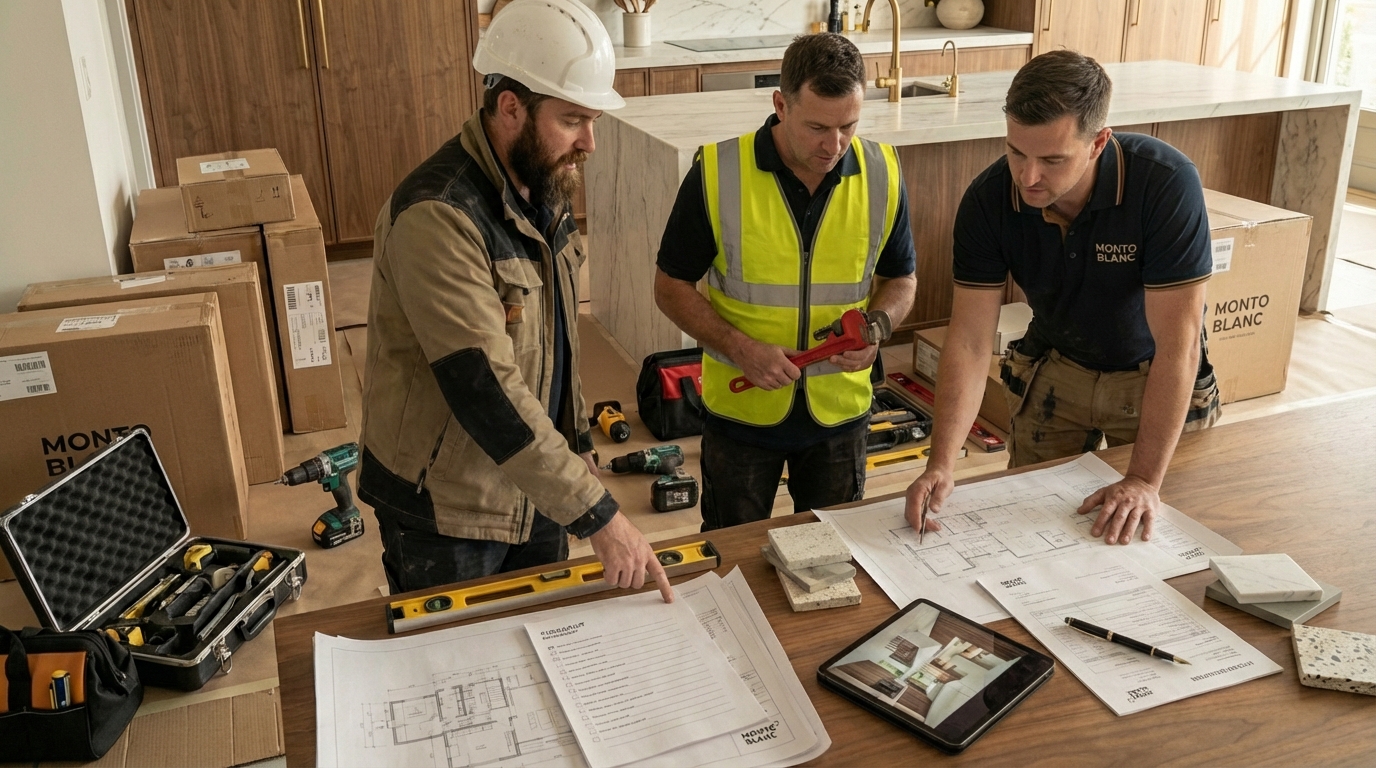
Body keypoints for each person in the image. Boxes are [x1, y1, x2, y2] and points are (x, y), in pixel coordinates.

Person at [357, 0, 670, 600]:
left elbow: (557, 338)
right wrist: (598, 516)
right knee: (454, 671)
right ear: (510, 107)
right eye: (574, 119)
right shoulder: (438, 214)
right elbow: (485, 387)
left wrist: (578, 442)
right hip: (448, 510)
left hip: (534, 490)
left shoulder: (542, 184)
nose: (591, 142)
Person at [903, 50, 1221, 546]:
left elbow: (1178, 347)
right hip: (1054, 368)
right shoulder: (988, 200)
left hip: (1151, 376)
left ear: (1097, 142)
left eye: (1052, 159)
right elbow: (967, 341)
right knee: (1032, 531)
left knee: (1153, 535)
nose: (1028, 177)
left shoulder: (1164, 184)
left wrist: (1141, 480)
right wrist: (942, 462)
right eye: (1016, 152)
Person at [654, 33, 917, 531]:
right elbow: (669, 286)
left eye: (849, 126)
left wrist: (878, 329)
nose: (834, 145)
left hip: (840, 414)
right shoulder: (717, 171)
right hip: (742, 412)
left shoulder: (881, 172)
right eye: (818, 126)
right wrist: (740, 347)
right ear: (780, 104)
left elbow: (901, 278)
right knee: (730, 555)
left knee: (832, 554)